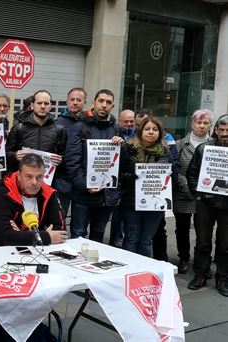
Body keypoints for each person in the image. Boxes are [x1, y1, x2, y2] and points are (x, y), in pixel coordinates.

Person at [65, 89, 122, 242]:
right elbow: (72, 162)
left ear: (112, 106)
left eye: (108, 102)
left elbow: (119, 163)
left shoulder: (115, 128)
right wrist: (85, 185)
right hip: (84, 194)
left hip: (106, 195)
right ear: (93, 103)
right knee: (78, 234)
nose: (104, 105)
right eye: (101, 101)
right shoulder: (79, 127)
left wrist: (122, 147)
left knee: (98, 235)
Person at [118, 117, 176, 257]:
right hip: (131, 203)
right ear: (140, 131)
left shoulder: (166, 151)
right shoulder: (129, 148)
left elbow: (173, 173)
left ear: (160, 133)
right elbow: (118, 174)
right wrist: (132, 177)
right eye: (147, 129)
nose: (151, 132)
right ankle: (128, 272)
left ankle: (143, 273)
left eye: (155, 129)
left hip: (155, 205)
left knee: (146, 241)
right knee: (131, 239)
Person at [186, 114, 228, 297]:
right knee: (202, 241)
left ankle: (223, 277)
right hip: (205, 202)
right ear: (216, 130)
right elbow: (192, 173)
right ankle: (200, 274)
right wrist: (199, 193)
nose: (225, 133)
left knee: (226, 244)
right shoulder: (204, 149)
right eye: (221, 129)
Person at [0, 154, 68, 246]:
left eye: (39, 177)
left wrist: (20, 235)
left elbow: (61, 232)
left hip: (37, 250)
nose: (34, 182)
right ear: (19, 175)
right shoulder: (2, 194)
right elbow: (7, 237)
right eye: (29, 176)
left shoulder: (49, 193)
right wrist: (45, 236)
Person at [173, 109, 214, 274]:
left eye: (205, 123)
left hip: (205, 197)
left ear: (210, 125)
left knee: (204, 231)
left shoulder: (215, 145)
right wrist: (187, 186)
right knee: (182, 228)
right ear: (192, 124)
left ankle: (202, 262)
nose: (202, 126)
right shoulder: (181, 144)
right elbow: (176, 170)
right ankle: (183, 257)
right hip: (183, 194)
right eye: (199, 122)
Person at [5, 90, 66, 172]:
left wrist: (60, 160)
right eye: (39, 103)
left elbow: (64, 157)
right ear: (32, 105)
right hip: (23, 179)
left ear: (51, 106)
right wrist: (14, 155)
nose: (43, 106)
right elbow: (6, 154)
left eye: (46, 103)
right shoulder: (18, 128)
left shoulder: (59, 130)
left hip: (47, 180)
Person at [54, 88, 86, 223]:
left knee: (80, 223)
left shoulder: (89, 122)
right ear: (67, 101)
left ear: (84, 102)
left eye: (79, 100)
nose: (75, 103)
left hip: (82, 178)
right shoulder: (57, 123)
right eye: (72, 99)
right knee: (60, 219)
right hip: (63, 178)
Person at [108, 109, 137, 248]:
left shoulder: (139, 136)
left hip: (132, 182)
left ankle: (124, 240)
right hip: (116, 180)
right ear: (120, 122)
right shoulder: (113, 134)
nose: (129, 124)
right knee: (117, 216)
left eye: (132, 121)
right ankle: (114, 240)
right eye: (126, 121)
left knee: (129, 220)